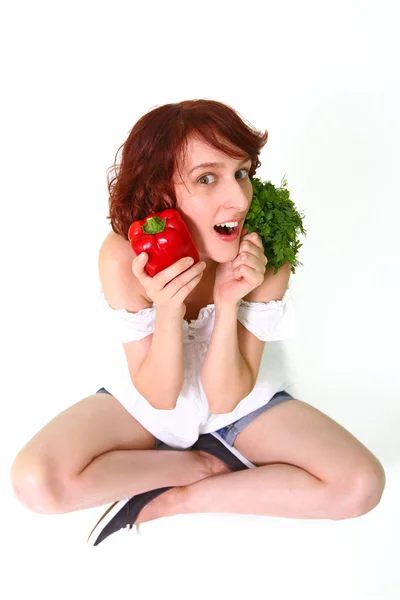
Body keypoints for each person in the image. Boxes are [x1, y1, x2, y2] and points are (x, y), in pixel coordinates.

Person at [10, 99, 386, 546]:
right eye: (207, 178)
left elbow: (228, 398)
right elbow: (159, 395)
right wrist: (168, 310)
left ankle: (177, 498)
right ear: (161, 192)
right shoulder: (124, 253)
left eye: (241, 173)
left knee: (361, 485)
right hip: (146, 401)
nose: (239, 198)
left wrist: (230, 302)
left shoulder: (267, 255)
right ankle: (201, 464)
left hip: (243, 404)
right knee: (37, 482)